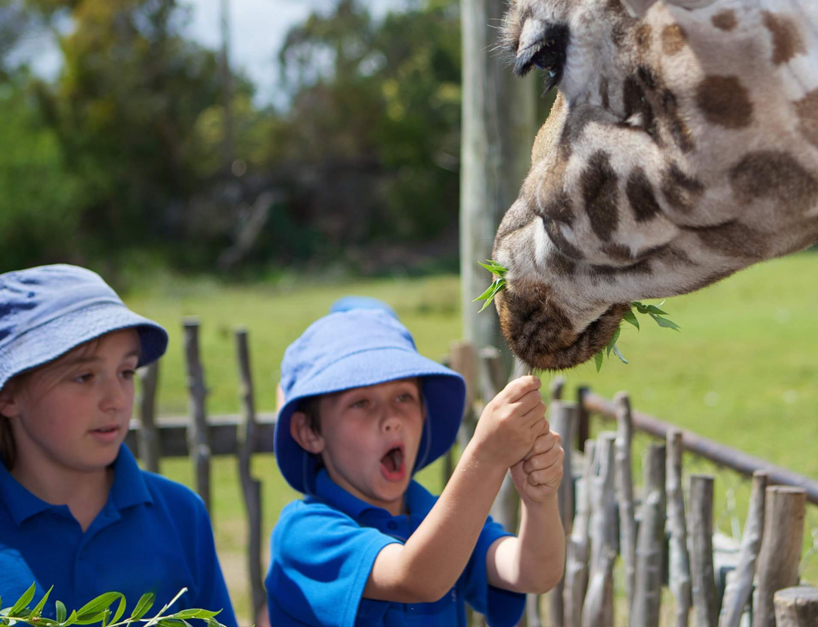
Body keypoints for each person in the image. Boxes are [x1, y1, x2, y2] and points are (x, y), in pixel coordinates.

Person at [266, 298, 566, 627]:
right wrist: (486, 457)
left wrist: (539, 501)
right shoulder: (304, 533)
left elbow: (534, 573)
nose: (391, 418)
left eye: (403, 397)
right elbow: (416, 578)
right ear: (309, 431)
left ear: (424, 413)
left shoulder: (439, 518)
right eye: (361, 402)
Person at [0, 265, 237, 626]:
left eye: (126, 373)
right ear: (9, 395)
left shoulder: (180, 514)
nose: (116, 399)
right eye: (84, 376)